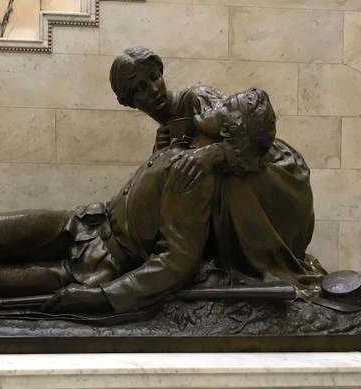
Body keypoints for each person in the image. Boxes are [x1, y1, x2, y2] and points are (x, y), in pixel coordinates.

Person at [0, 89, 278, 315]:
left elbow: (178, 259)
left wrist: (101, 297)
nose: (216, 99)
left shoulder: (196, 175)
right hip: (86, 222)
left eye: (228, 105)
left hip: (97, 265)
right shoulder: (186, 142)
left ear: (230, 128)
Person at [110, 47, 326, 299]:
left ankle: (253, 266)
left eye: (155, 76)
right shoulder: (164, 136)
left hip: (274, 179)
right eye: (139, 89)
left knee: (226, 184)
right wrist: (161, 153)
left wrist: (217, 153)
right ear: (128, 101)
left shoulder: (196, 99)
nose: (154, 89)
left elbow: (250, 128)